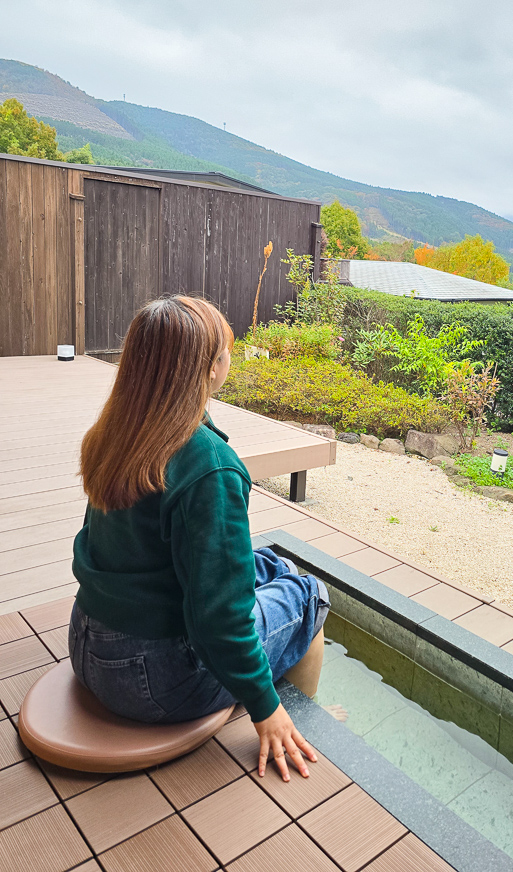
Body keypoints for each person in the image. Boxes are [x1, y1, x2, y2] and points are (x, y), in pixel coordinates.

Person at [69, 295, 329, 782]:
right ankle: (295, 725)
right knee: (309, 595)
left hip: (86, 643)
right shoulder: (209, 467)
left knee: (270, 564)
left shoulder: (114, 432)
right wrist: (264, 707)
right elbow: (217, 620)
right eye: (226, 351)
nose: (230, 358)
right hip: (149, 679)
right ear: (209, 369)